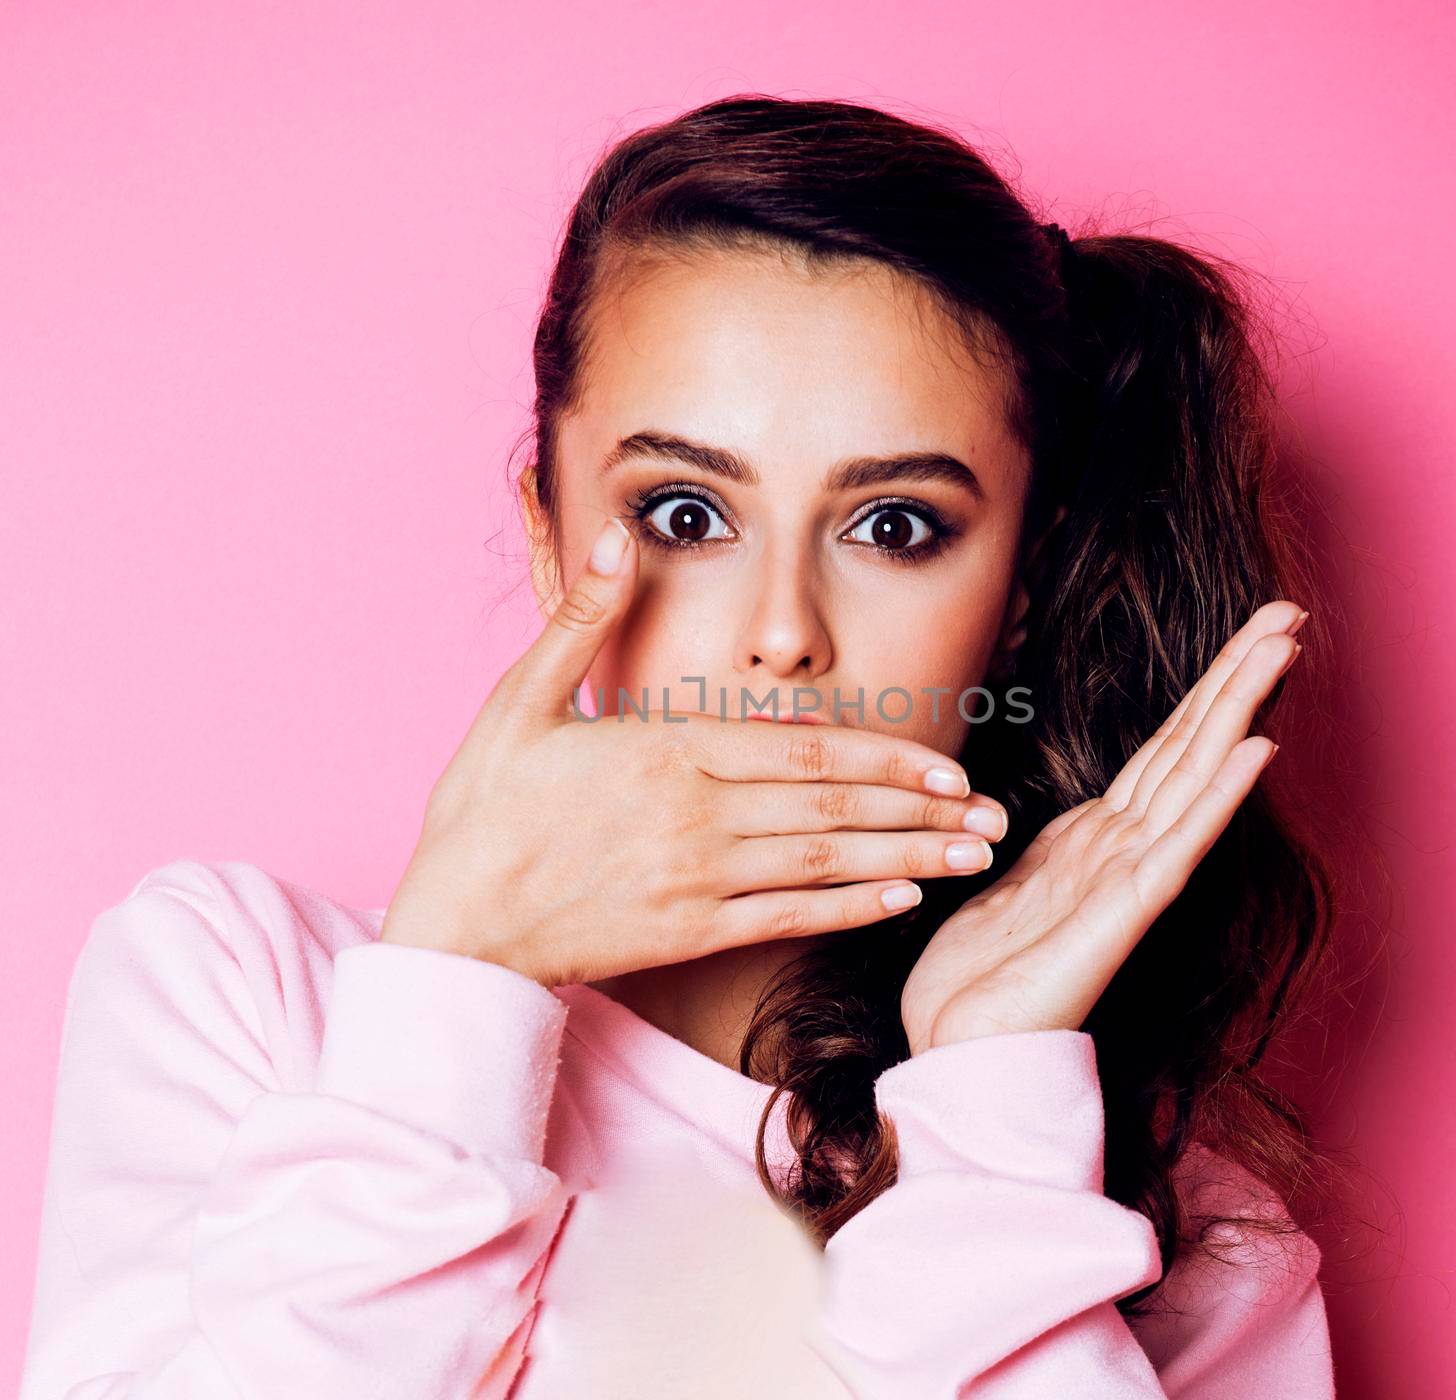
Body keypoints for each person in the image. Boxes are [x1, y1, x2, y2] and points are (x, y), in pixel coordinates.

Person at [20, 95, 1341, 1398]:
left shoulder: (1158, 1226)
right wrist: (455, 992)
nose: (782, 637)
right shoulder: (249, 999)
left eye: (893, 527)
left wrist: (989, 1110)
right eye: (686, 512)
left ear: (1025, 590)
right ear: (548, 536)